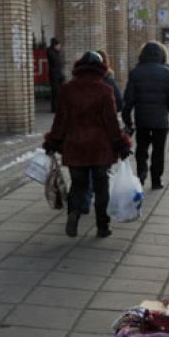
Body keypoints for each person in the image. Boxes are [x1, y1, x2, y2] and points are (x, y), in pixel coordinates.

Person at [44, 51, 132, 239]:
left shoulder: (68, 90)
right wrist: (122, 145)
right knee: (101, 187)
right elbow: (111, 123)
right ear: (101, 69)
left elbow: (60, 120)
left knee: (78, 184)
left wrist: (52, 142)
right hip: (100, 148)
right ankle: (102, 226)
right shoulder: (105, 90)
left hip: (75, 146)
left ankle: (74, 213)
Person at [123, 41, 169, 190]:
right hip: (160, 119)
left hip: (142, 118)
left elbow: (128, 99)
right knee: (158, 150)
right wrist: (166, 108)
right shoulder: (167, 72)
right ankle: (156, 179)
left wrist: (127, 118)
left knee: (141, 148)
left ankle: (141, 173)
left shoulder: (136, 72)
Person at [47, 38, 65, 113]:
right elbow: (55, 61)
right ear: (55, 45)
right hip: (54, 74)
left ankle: (59, 106)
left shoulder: (57, 52)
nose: (60, 47)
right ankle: (54, 107)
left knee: (60, 91)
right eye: (58, 45)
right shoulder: (50, 51)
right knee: (55, 91)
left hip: (59, 73)